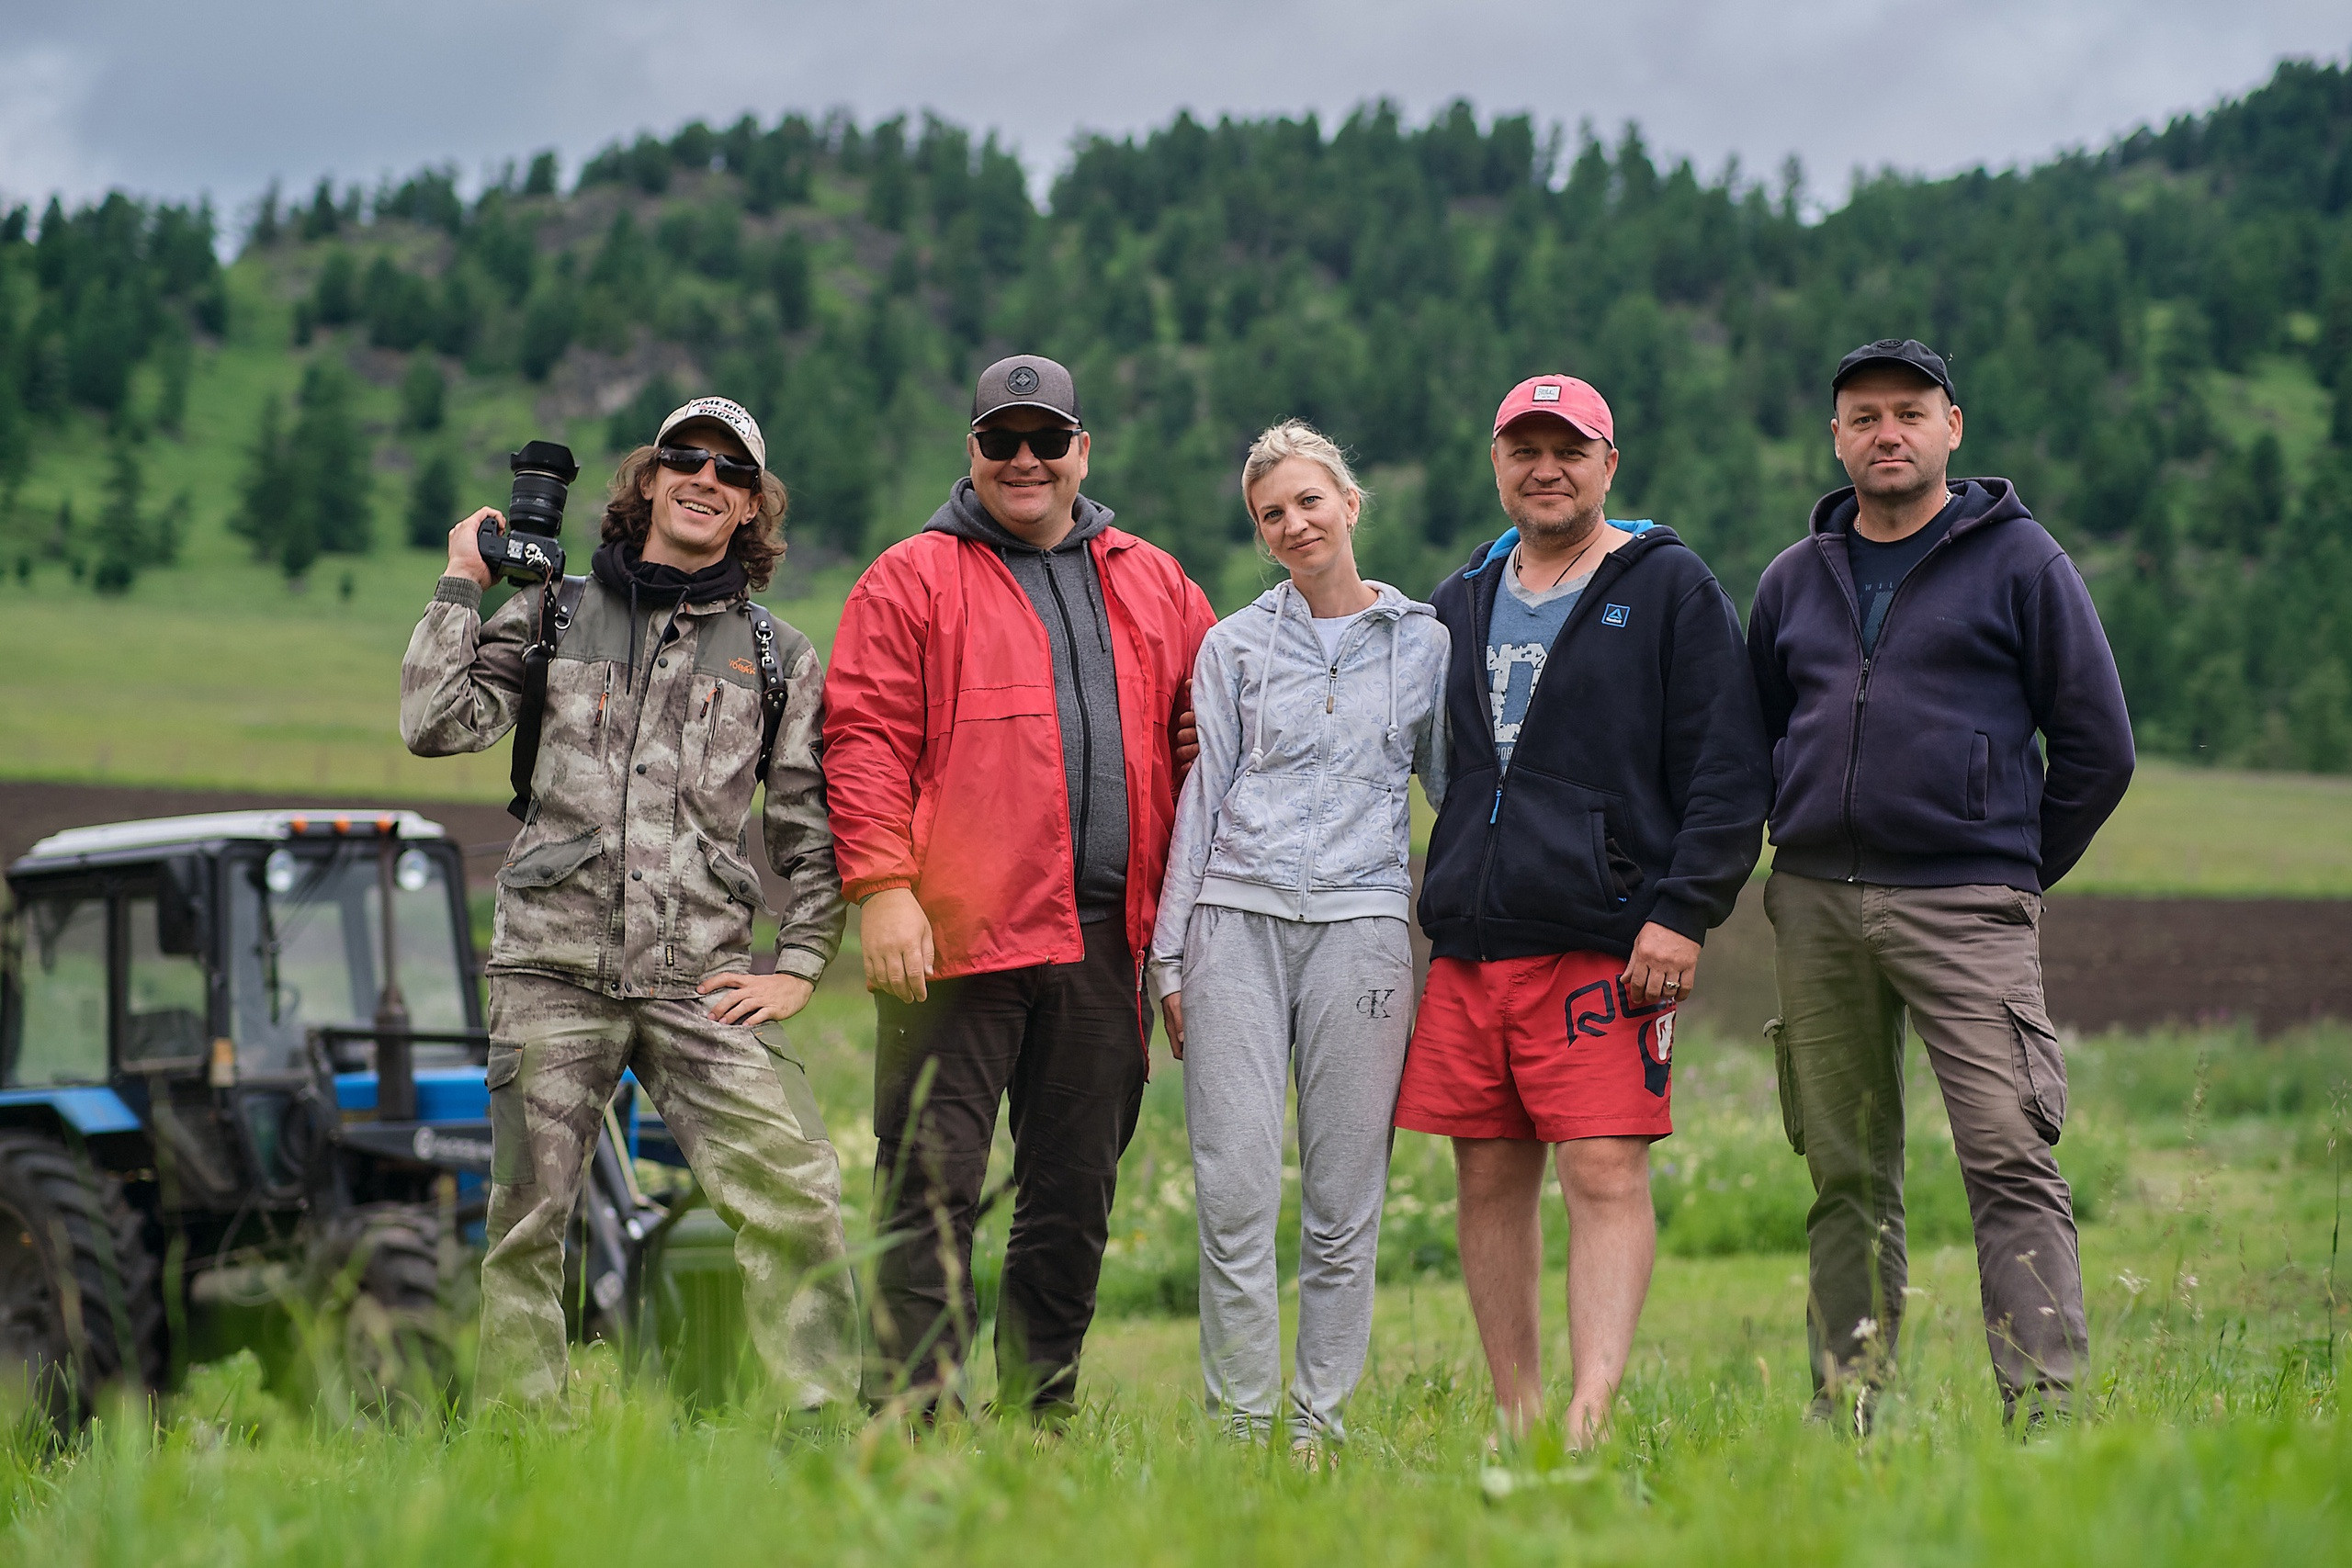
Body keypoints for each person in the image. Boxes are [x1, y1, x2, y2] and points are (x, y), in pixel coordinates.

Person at [400, 396, 855, 1409]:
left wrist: (801, 964)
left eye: (731, 472)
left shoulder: (777, 655)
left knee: (795, 1192)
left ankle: (819, 1434)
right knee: (526, 1224)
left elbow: (806, 831)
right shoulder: (555, 611)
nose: (706, 478)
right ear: (647, 480)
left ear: (751, 509)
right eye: (684, 458)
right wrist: (462, 585)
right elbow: (436, 725)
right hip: (549, 972)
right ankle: (524, 1445)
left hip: (705, 982)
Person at [1747, 339, 2134, 1429]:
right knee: (1845, 1177)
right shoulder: (1792, 579)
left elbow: (2099, 749)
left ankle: (2047, 1418)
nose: (1887, 433)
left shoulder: (2023, 564)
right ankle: (1848, 1417)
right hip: (1816, 905)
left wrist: (2005, 866)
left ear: (1951, 427)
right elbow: (1753, 744)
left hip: (1967, 912)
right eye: (1863, 416)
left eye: (1908, 413)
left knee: (2009, 1157)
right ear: (1837, 438)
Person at [823, 355, 1216, 1418]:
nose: (1026, 461)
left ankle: (1040, 1415)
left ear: (1083, 450)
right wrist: (882, 888)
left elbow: (1215, 733)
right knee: (927, 1187)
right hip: (953, 942)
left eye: (1048, 441)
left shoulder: (1156, 579)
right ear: (974, 453)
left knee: (1073, 1198)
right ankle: (911, 1422)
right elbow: (860, 738)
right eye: (1003, 441)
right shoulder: (910, 576)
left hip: (1105, 941)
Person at [1401, 375, 1769, 1447]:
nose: (1545, 468)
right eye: (1525, 449)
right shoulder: (1460, 597)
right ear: (1497, 463)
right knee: (1487, 1169)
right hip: (1473, 939)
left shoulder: (1667, 587)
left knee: (1603, 1168)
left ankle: (1589, 1412)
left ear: (1609, 464)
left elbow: (1726, 767)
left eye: (1569, 449)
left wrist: (1683, 911)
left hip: (1608, 940)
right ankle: (1516, 1411)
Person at [1149, 421, 1450, 1459]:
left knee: (1341, 1199)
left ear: (1349, 504)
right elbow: (1204, 798)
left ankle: (1318, 1424)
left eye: (1308, 501)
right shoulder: (1232, 646)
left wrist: (1457, 938)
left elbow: (1452, 797)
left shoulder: (1424, 641)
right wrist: (1170, 954)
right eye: (1270, 513)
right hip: (1235, 920)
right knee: (1233, 1191)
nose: (1292, 524)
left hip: (1363, 931)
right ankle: (1240, 1424)